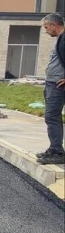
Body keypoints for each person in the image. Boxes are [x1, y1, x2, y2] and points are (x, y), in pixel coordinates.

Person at [37, 13, 65, 165]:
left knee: (52, 117)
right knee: (53, 117)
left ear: (54, 25)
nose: (46, 31)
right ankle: (54, 148)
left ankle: (57, 152)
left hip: (57, 85)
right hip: (52, 84)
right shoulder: (60, 39)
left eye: (47, 27)